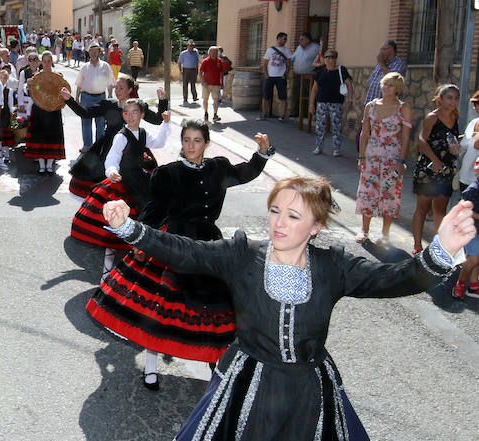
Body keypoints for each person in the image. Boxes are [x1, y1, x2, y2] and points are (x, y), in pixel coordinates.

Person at [101, 176, 474, 441]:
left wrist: (439, 251)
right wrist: (130, 229)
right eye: (275, 210)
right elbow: (185, 252)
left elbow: (395, 279)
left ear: (316, 226)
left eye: (293, 216)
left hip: (309, 391)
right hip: (247, 386)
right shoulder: (242, 254)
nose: (279, 222)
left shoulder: (334, 266)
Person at [90, 122, 270, 390]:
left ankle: (216, 368)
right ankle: (150, 369)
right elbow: (154, 209)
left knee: (215, 308)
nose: (191, 146)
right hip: (174, 243)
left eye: (197, 140)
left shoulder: (218, 168)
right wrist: (141, 240)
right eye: (186, 140)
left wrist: (262, 153)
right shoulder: (168, 174)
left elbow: (245, 172)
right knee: (160, 309)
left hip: (210, 245)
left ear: (206, 143)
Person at [71, 99, 171, 278]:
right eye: (127, 113)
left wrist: (165, 123)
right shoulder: (121, 136)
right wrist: (111, 172)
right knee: (117, 227)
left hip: (141, 179)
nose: (130, 116)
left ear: (141, 115)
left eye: (135, 113)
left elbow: (158, 143)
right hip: (124, 182)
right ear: (123, 115)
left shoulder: (142, 132)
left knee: (147, 220)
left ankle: (139, 264)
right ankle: (107, 270)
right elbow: (111, 159)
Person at [61, 78, 167, 198]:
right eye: (116, 87)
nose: (117, 91)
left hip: (132, 148)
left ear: (130, 90)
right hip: (107, 147)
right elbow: (85, 113)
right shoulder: (108, 104)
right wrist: (69, 99)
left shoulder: (137, 106)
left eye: (121, 88)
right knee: (106, 183)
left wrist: (162, 101)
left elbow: (158, 120)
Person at [354, 72, 411, 245]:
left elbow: (406, 138)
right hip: (371, 155)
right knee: (367, 190)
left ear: (398, 89)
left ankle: (385, 234)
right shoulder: (370, 106)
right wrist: (361, 156)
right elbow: (365, 132)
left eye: (391, 85)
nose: (386, 88)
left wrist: (401, 161)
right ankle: (364, 230)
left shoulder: (404, 108)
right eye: (385, 84)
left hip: (392, 157)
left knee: (390, 194)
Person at [412, 84, 460, 254]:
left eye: (456, 98)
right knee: (422, 208)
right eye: (449, 97)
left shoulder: (455, 116)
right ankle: (417, 246)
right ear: (440, 99)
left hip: (446, 170)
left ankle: (438, 248)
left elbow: (450, 138)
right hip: (428, 169)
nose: (453, 101)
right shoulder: (432, 117)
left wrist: (458, 144)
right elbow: (421, 141)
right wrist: (435, 160)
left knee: (440, 209)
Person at [23, 52, 66, 174]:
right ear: (41, 62)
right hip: (39, 110)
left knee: (52, 137)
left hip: (53, 110)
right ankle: (42, 165)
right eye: (45, 61)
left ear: (52, 61)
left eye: (49, 61)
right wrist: (29, 85)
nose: (47, 63)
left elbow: (62, 92)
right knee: (39, 137)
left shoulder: (58, 76)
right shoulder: (36, 76)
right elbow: (32, 92)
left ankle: (50, 165)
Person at [308, 49, 354, 156]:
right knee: (320, 126)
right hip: (321, 103)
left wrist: (350, 99)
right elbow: (314, 89)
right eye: (327, 57)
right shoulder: (320, 72)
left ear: (335, 59)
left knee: (336, 125)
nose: (329, 59)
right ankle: (319, 147)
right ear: (324, 59)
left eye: (331, 57)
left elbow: (349, 85)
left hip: (336, 103)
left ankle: (336, 148)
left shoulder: (341, 70)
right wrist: (311, 104)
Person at [75, 42, 113, 150]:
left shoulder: (105, 66)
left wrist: (110, 97)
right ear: (89, 52)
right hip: (86, 97)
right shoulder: (84, 67)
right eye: (92, 51)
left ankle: (98, 147)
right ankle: (87, 146)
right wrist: (77, 97)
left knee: (100, 124)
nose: (94, 53)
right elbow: (79, 84)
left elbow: (110, 83)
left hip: (101, 98)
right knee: (86, 123)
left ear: (99, 52)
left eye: (96, 51)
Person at [454, 156, 479, 299]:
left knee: (476, 258)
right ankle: (460, 283)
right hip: (472, 229)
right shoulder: (473, 189)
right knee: (473, 259)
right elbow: (464, 210)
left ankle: (474, 286)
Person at [258, 32, 292, 121]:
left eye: (286, 39)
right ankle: (264, 114)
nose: (285, 41)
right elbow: (265, 64)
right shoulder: (270, 50)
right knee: (266, 96)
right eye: (284, 39)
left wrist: (285, 74)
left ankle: (282, 116)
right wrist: (266, 75)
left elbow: (288, 64)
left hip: (281, 77)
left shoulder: (287, 50)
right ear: (279, 39)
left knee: (282, 97)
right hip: (270, 76)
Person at [364, 40, 408, 105]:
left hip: (387, 105)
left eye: (383, 49)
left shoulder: (399, 63)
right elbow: (371, 82)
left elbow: (392, 79)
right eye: (381, 50)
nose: (381, 52)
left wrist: (381, 63)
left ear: (391, 49)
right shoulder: (380, 64)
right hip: (372, 103)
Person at [289, 32, 320, 117]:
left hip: (309, 76)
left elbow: (321, 58)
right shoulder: (299, 48)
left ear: (307, 40)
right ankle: (297, 112)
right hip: (298, 75)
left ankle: (309, 113)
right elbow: (293, 58)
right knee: (296, 94)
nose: (300, 41)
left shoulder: (316, 47)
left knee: (309, 94)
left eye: (302, 39)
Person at [199, 46, 224, 123]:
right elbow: (200, 73)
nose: (214, 54)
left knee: (216, 99)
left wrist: (221, 82)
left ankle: (215, 114)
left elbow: (221, 72)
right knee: (205, 99)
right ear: (209, 53)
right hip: (206, 84)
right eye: (213, 52)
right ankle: (206, 113)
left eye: (216, 52)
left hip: (216, 84)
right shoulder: (205, 61)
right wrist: (203, 81)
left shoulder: (219, 61)